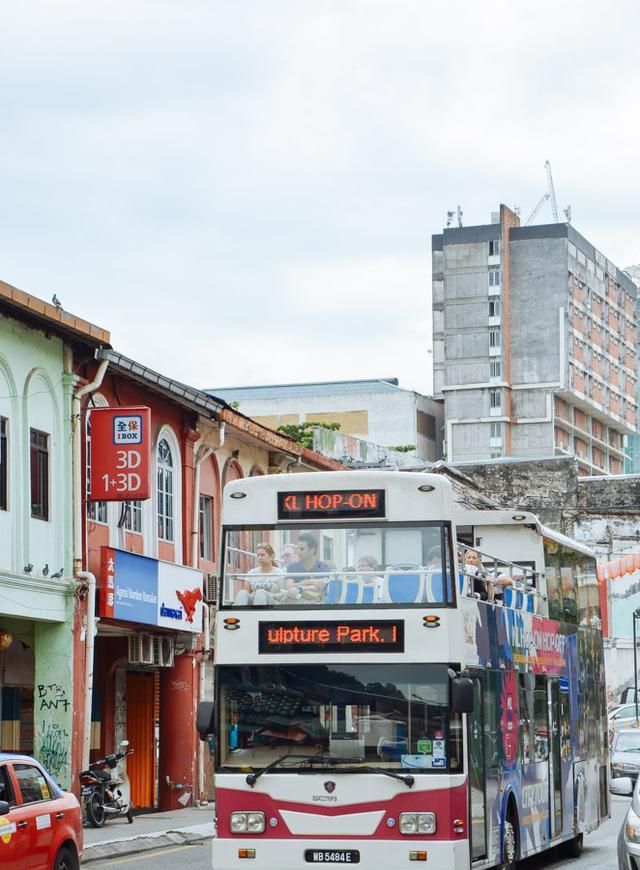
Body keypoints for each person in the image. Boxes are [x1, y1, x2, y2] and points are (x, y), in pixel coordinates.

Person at [285, 532, 331, 601]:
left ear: (312, 550)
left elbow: (319, 587)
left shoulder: (323, 567)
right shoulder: (292, 567)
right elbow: (288, 586)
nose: (298, 552)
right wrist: (311, 581)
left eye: (302, 549)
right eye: (297, 548)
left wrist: (299, 588)